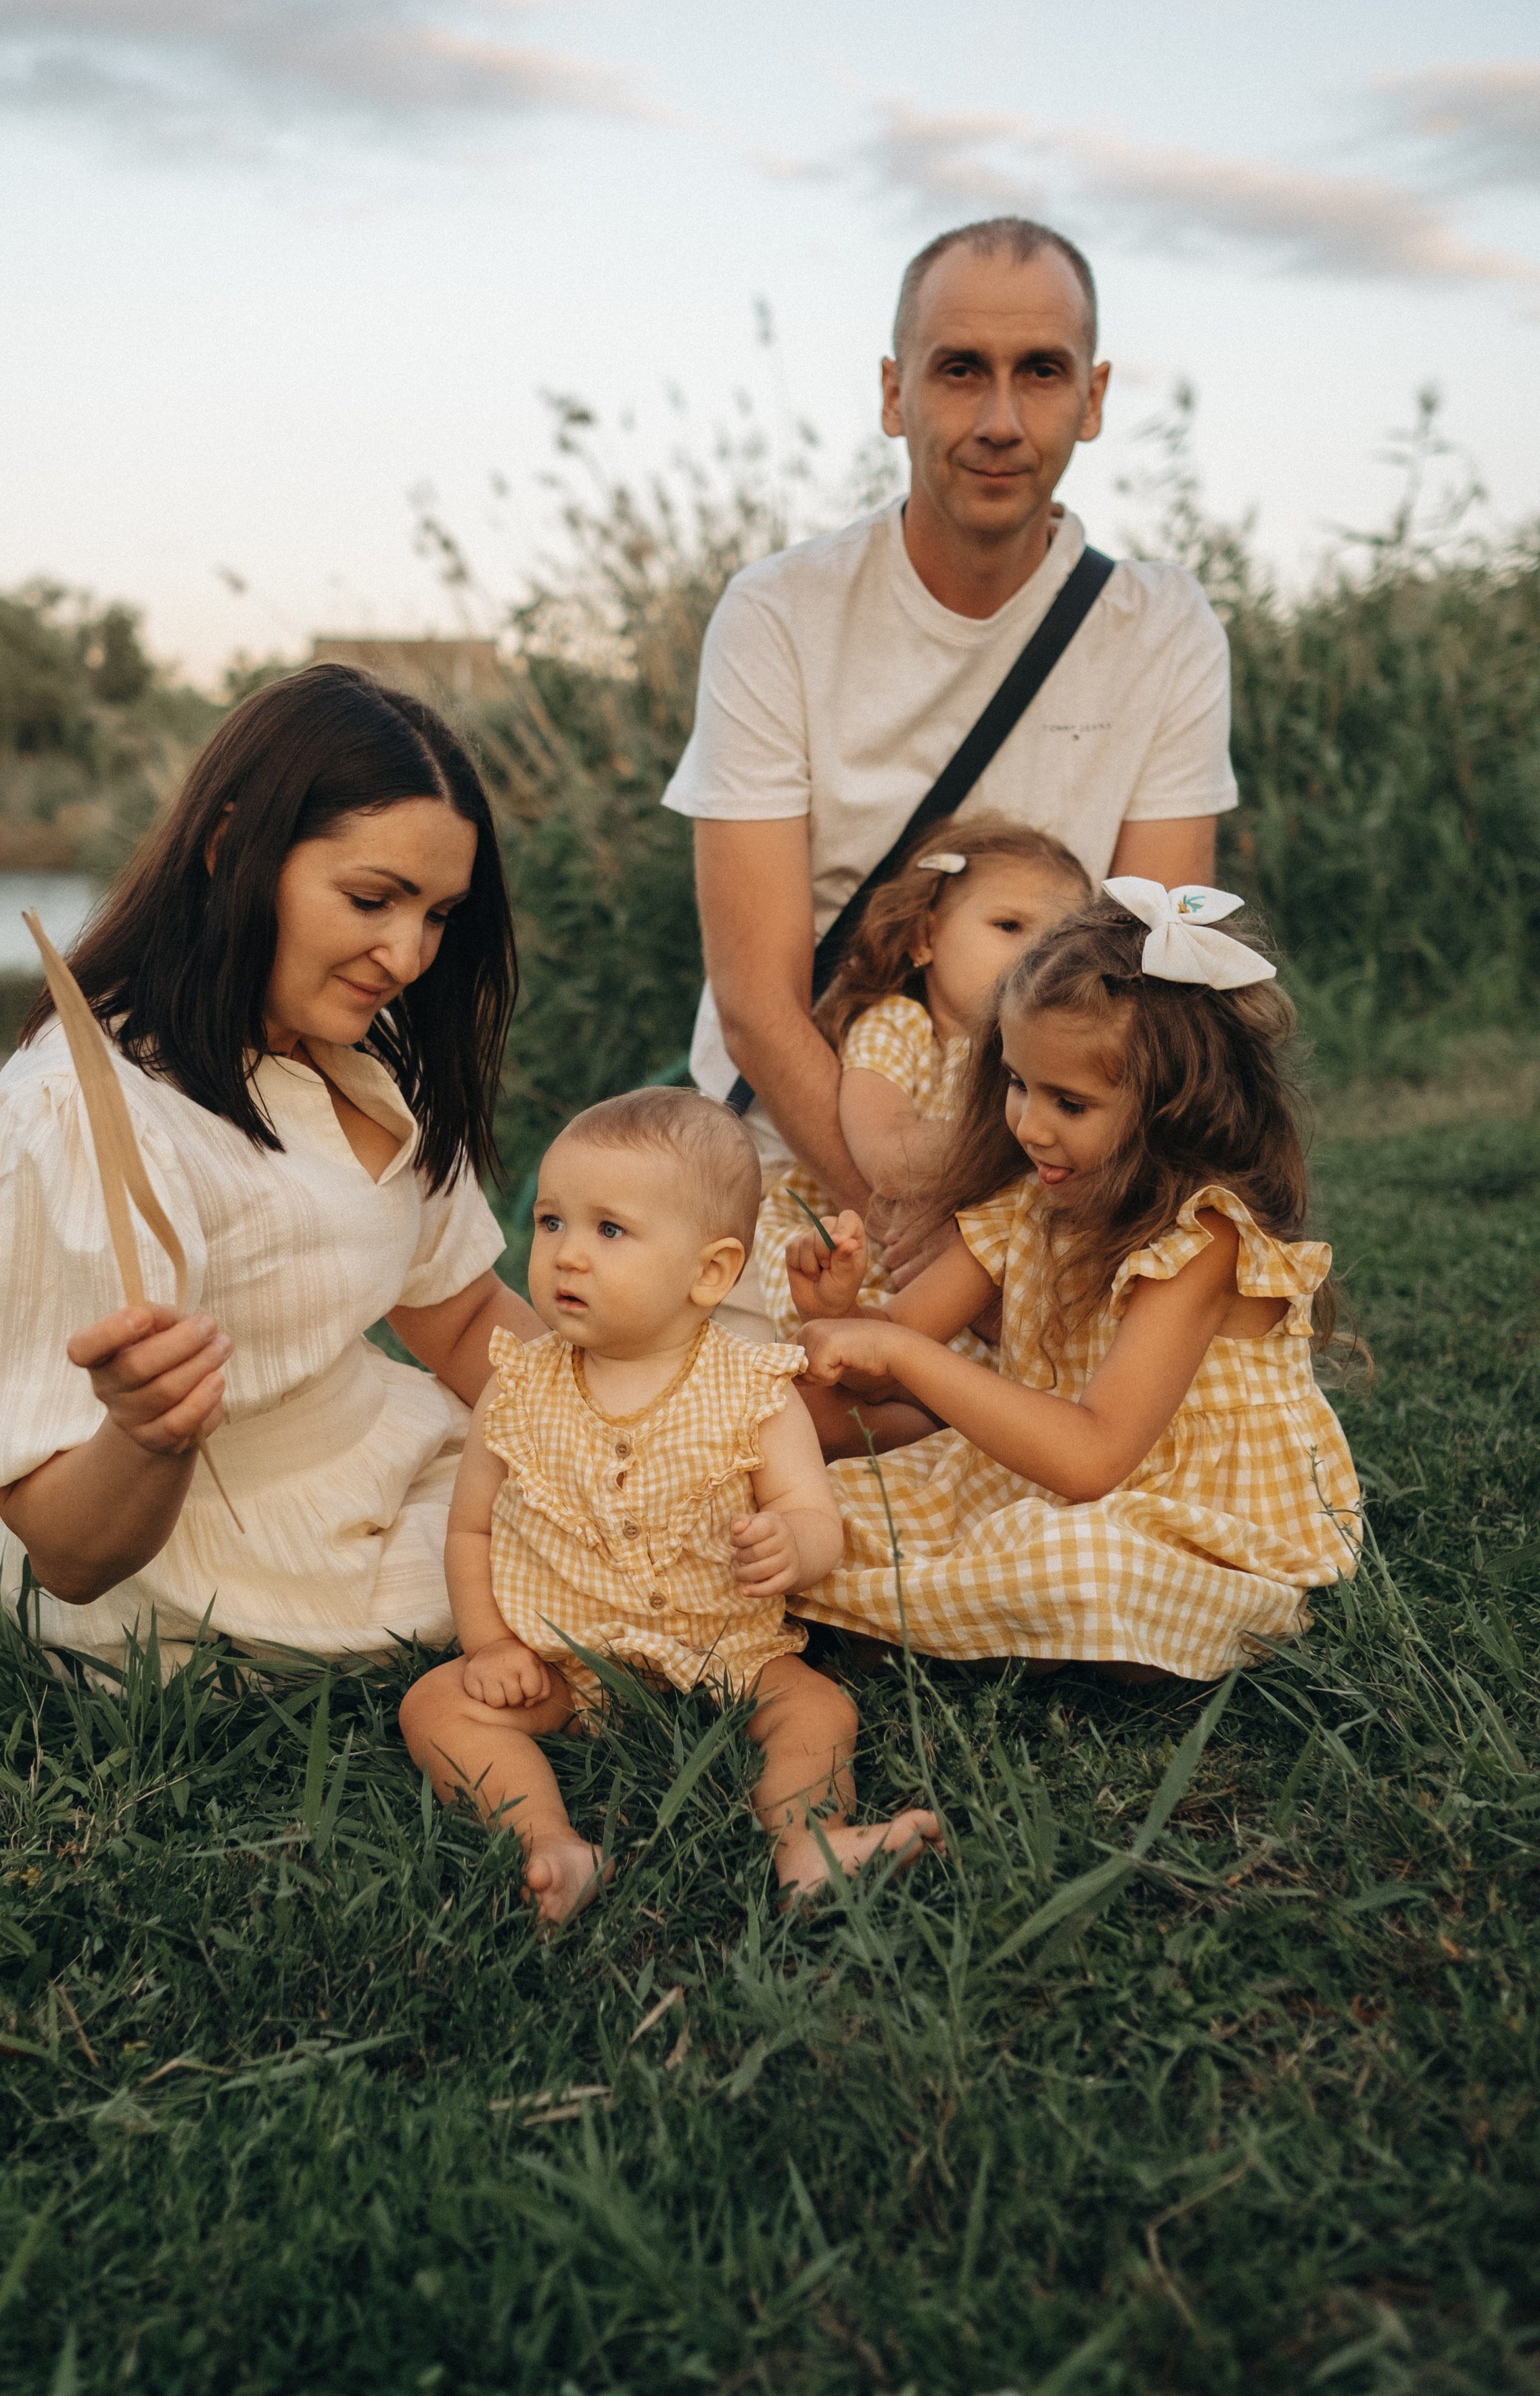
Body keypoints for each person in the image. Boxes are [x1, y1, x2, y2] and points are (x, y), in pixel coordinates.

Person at [663, 215, 1239, 1329]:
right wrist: (898, 1211)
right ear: (894, 393)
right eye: (961, 371)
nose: (1001, 421)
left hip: (1061, 1159)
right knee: (746, 1459)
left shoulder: (1161, 628)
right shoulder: (780, 613)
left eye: (1042, 374)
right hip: (804, 1147)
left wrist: (998, 1232)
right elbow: (755, 1001)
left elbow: (1150, 977)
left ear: (1095, 397)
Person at [0, 666, 545, 1675]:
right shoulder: (80, 1116)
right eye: (373, 898)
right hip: (194, 1568)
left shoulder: (352, 1051)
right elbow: (72, 1556)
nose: (408, 953)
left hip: (380, 1457)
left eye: (436, 913)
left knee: (679, 1511)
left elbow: (463, 1316)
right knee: (592, 1572)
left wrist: (635, 1424)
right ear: (229, 846)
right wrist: (148, 1433)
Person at [783, 882, 1361, 1682]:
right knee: (814, 1498)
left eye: (1070, 1101)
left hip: (1185, 1527)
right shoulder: (1030, 1201)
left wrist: (903, 1357)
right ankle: (929, 1614)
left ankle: (914, 1619)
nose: (1029, 1124)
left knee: (1079, 1567)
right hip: (1031, 1485)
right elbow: (897, 1339)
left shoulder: (1203, 1240)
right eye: (1019, 1083)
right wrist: (842, 1313)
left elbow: (1093, 1458)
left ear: (1174, 1105)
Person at [398, 1089, 943, 1920]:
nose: (567, 1255)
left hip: (727, 1647)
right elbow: (470, 1526)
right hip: (564, 1660)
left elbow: (812, 1511)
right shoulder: (517, 1388)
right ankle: (549, 1842)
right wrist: (489, 1643)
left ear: (711, 1271)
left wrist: (792, 1544)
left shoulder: (752, 1389)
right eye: (551, 1223)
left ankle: (810, 1845)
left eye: (608, 1230)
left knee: (816, 1707)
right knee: (435, 1705)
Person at [753, 813, 1089, 1346]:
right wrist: (1026, 1136)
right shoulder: (900, 1027)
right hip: (876, 1274)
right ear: (924, 936)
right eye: (1009, 926)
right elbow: (888, 1158)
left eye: (1060, 941)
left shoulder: (1048, 1062)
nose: (1035, 957)